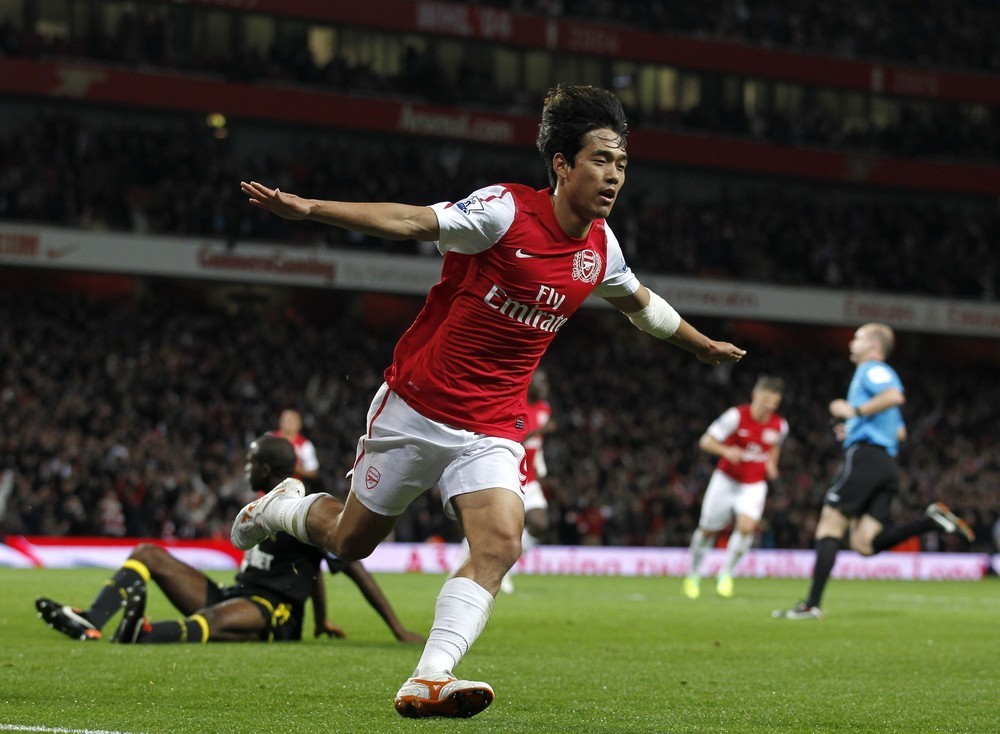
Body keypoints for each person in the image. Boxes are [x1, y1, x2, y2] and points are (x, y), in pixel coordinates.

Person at [232, 83, 746, 719]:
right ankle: (283, 505)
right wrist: (310, 209)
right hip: (417, 406)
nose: (614, 175)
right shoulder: (504, 211)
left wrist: (700, 345)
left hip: (493, 425)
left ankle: (430, 676)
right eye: (600, 160)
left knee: (501, 544)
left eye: (621, 163)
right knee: (348, 541)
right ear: (562, 164)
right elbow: (413, 221)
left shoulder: (601, 248)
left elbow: (641, 304)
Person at [36, 434, 422, 644]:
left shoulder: (302, 511)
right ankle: (92, 620)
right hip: (235, 594)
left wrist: (397, 629)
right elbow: (315, 568)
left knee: (211, 620)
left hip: (271, 610)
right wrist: (322, 621)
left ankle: (143, 633)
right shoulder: (261, 507)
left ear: (265, 469)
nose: (246, 469)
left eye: (251, 463)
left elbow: (351, 567)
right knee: (148, 553)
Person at [773, 323, 975, 620]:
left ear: (874, 346)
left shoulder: (872, 369)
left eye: (857, 338)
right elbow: (900, 432)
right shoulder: (872, 381)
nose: (851, 343)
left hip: (866, 459)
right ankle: (929, 522)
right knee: (864, 544)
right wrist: (855, 426)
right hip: (885, 465)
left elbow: (894, 396)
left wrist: (854, 412)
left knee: (830, 525)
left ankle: (811, 605)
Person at [684, 374, 788, 600]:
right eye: (766, 400)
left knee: (747, 527)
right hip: (726, 480)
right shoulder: (735, 416)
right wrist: (726, 451)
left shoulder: (780, 425)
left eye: (774, 403)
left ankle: (726, 574)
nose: (769, 407)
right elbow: (706, 440)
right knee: (708, 530)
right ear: (755, 395)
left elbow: (774, 446)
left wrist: (772, 464)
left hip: (753, 484)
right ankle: (693, 574)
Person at [499, 368, 557, 594]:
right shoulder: (516, 404)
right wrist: (541, 430)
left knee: (539, 523)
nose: (546, 387)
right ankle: (471, 566)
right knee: (493, 526)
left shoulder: (545, 408)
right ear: (530, 383)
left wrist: (541, 467)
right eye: (542, 382)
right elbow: (514, 437)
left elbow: (537, 444)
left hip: (530, 477)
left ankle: (504, 565)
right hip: (507, 474)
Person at [273, 408, 320, 485]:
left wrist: (295, 468)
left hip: (291, 488)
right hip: (266, 489)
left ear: (299, 424)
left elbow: (313, 471)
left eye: (291, 421)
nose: (288, 423)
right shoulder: (269, 438)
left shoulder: (305, 445)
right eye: (285, 420)